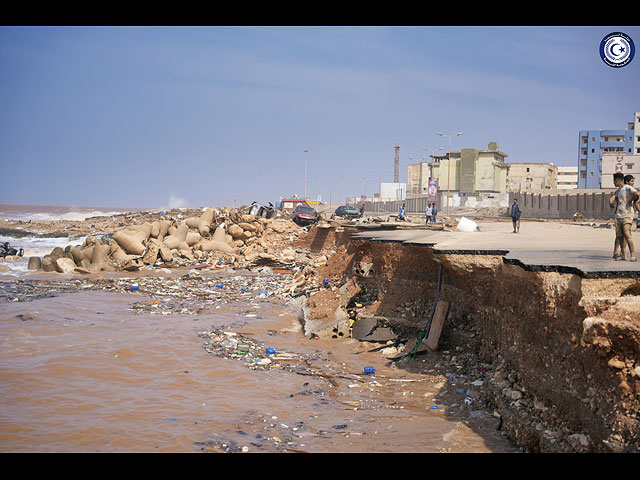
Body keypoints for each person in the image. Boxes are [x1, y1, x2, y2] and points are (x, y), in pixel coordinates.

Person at [609, 172, 639, 261]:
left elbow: (637, 194)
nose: (614, 183)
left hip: (627, 216)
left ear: (617, 180)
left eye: (614, 181)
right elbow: (613, 197)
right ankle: (622, 255)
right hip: (618, 216)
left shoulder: (628, 188)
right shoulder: (618, 191)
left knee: (627, 234)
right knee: (619, 235)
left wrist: (630, 200)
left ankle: (633, 255)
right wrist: (610, 202)